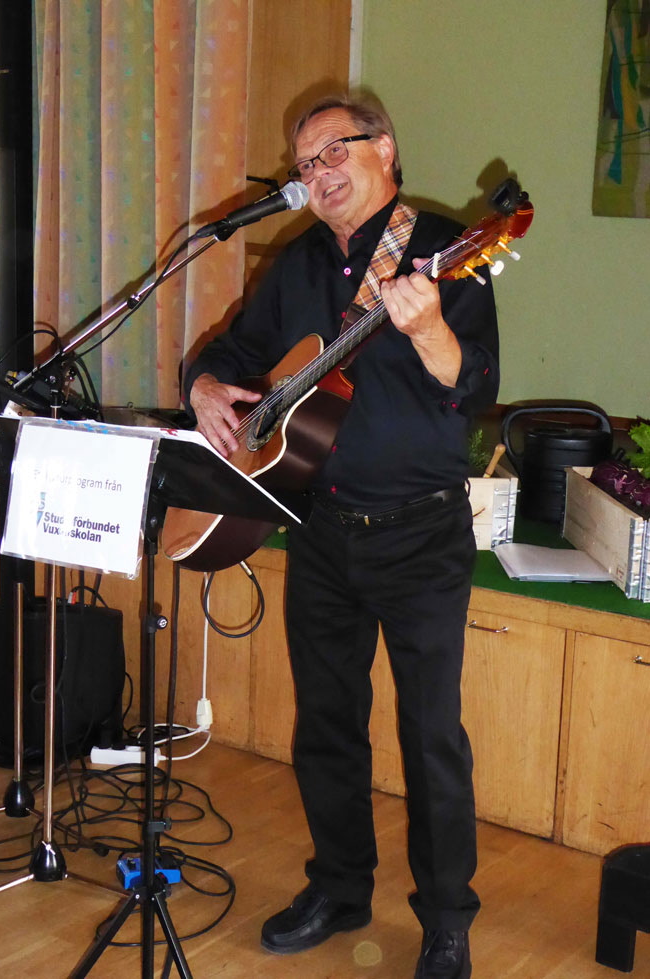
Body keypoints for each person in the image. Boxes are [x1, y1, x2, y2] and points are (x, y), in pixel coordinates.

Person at [182, 91, 499, 979]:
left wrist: (428, 328)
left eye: (334, 151)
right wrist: (203, 386)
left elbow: (473, 385)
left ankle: (447, 919)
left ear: (385, 149)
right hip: (319, 527)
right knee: (326, 723)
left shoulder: (447, 249)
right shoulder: (297, 264)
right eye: (304, 163)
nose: (318, 173)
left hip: (421, 535)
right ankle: (340, 887)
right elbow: (233, 353)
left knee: (431, 736)